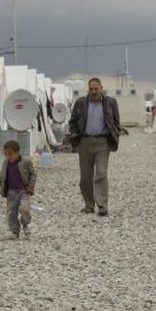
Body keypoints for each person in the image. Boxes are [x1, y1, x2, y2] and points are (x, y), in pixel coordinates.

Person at [68, 77, 123, 217]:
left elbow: (116, 122)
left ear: (101, 88)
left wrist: (115, 134)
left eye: (96, 89)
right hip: (84, 142)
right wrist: (75, 135)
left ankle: (102, 205)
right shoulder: (80, 102)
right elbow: (73, 121)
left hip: (103, 143)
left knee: (101, 173)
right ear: (88, 89)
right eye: (91, 89)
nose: (93, 92)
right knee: (85, 177)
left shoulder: (111, 102)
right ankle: (89, 204)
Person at [0, 140, 37, 239]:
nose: (8, 157)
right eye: (6, 154)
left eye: (10, 154)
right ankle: (15, 232)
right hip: (11, 193)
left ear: (18, 152)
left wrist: (31, 186)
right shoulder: (6, 163)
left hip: (23, 192)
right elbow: (1, 176)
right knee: (11, 213)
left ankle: (25, 224)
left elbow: (33, 174)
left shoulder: (25, 162)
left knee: (25, 209)